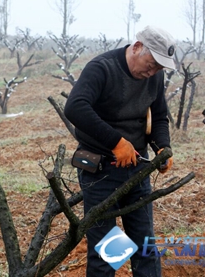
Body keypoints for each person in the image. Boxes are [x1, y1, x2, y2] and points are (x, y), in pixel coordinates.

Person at [64, 25, 175, 276]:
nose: (153, 70)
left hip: (137, 170)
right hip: (101, 170)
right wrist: (117, 142)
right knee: (108, 252)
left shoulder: (153, 77)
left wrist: (162, 147)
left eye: (159, 67)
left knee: (145, 246)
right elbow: (75, 107)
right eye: (152, 63)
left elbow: (158, 116)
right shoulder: (102, 68)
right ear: (137, 47)